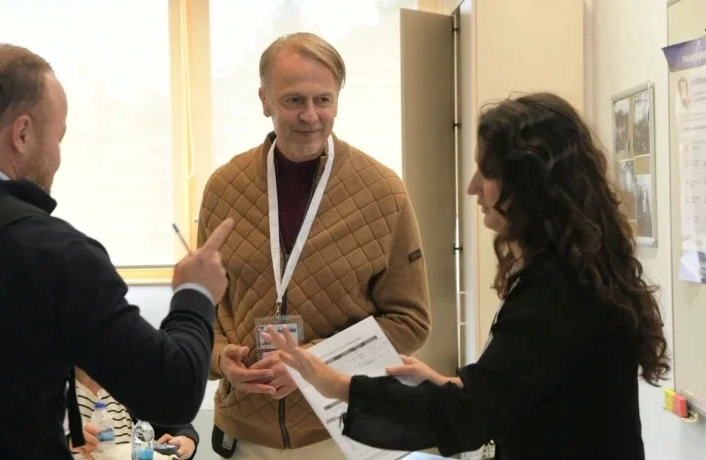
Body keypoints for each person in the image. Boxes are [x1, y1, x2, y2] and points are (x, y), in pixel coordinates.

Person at [0, 43, 235, 458]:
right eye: (59, 137)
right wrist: (195, 293)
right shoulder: (58, 254)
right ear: (23, 133)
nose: (58, 156)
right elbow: (172, 393)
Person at [262, 92, 670, 460]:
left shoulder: (559, 290)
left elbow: (470, 417)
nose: (473, 187)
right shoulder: (572, 269)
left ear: (531, 182)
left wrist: (337, 385)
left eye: (487, 173)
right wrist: (449, 384)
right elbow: (521, 387)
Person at [197, 32, 431, 459]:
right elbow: (204, 308)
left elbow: (411, 321)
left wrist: (315, 360)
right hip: (246, 436)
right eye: (293, 100)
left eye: (323, 100)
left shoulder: (383, 192)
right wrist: (218, 358)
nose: (310, 115)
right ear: (264, 100)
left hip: (343, 432)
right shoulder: (223, 188)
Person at [67, 368, 199, 460]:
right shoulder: (57, 391)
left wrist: (187, 440)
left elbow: (178, 426)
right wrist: (66, 440)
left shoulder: (126, 388)